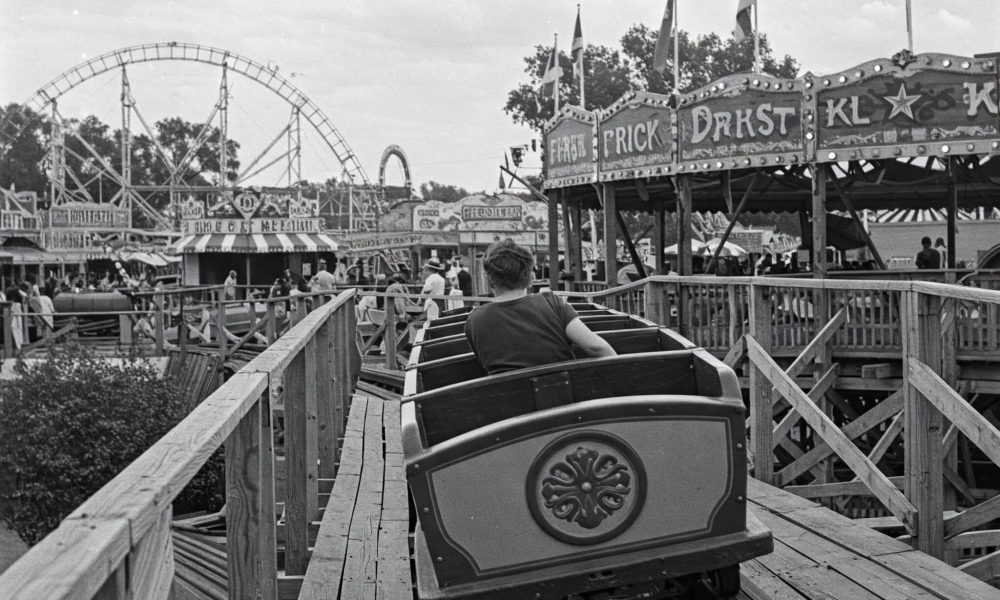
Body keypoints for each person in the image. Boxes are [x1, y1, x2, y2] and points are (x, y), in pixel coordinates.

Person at [464, 239, 616, 375]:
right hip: (566, 399)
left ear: (490, 279)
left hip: (508, 404)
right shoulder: (552, 302)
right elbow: (597, 348)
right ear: (530, 277)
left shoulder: (474, 320)